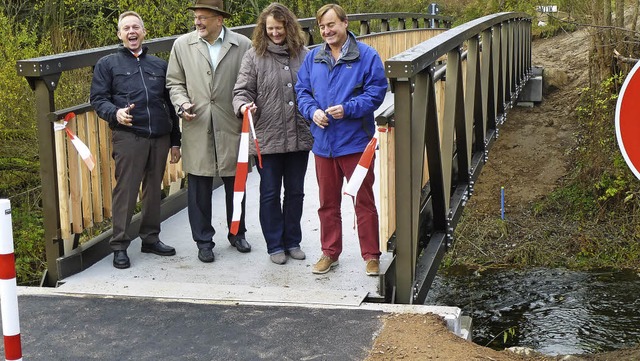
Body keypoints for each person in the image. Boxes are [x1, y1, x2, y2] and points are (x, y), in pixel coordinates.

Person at [295, 4, 388, 276]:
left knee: (364, 201)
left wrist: (348, 108)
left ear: (345, 23)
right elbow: (302, 91)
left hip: (356, 143)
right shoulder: (313, 58)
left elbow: (377, 92)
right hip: (323, 143)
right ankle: (329, 253)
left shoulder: (367, 56)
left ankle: (371, 255)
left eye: (331, 25)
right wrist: (312, 112)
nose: (326, 31)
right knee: (327, 202)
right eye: (322, 27)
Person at [90, 11, 182, 269]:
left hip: (160, 136)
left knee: (154, 190)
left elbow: (170, 103)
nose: (131, 32)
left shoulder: (159, 65)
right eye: (126, 28)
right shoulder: (107, 64)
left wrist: (176, 140)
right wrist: (115, 113)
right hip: (129, 135)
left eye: (136, 27)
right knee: (126, 191)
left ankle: (151, 239)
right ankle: (119, 245)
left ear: (143, 32)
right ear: (120, 35)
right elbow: (98, 99)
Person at [166, 0, 252, 263]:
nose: (198, 22)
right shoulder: (182, 45)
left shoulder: (243, 45)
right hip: (197, 123)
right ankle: (203, 241)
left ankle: (237, 233)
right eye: (196, 17)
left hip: (231, 123)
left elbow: (250, 82)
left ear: (219, 19)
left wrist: (245, 106)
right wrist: (181, 104)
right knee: (199, 186)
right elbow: (174, 83)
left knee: (235, 184)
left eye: (203, 17)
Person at [233, 3, 313, 265]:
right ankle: (275, 245)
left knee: (296, 192)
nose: (275, 33)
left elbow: (317, 89)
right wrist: (244, 106)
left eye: (279, 28)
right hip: (267, 136)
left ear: (288, 26)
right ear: (263, 30)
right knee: (269, 193)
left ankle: (293, 241)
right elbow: (241, 91)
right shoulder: (254, 56)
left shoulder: (305, 54)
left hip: (299, 135)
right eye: (270, 29)